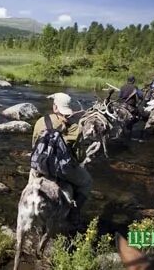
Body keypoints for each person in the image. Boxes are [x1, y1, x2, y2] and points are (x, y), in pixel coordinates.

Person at [31, 92, 92, 230]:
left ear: (55, 108)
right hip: (62, 169)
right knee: (87, 182)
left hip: (41, 165)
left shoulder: (41, 121)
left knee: (31, 178)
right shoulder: (75, 128)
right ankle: (74, 212)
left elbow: (34, 145)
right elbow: (80, 157)